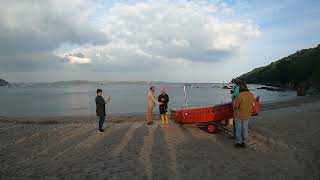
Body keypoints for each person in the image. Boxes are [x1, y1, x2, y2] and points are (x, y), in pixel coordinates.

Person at [233, 84, 254, 148]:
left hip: (239, 115)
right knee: (245, 128)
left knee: (238, 129)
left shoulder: (239, 95)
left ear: (240, 89)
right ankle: (244, 142)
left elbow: (235, 106)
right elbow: (253, 104)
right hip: (247, 114)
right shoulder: (251, 94)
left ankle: (238, 142)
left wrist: (234, 110)